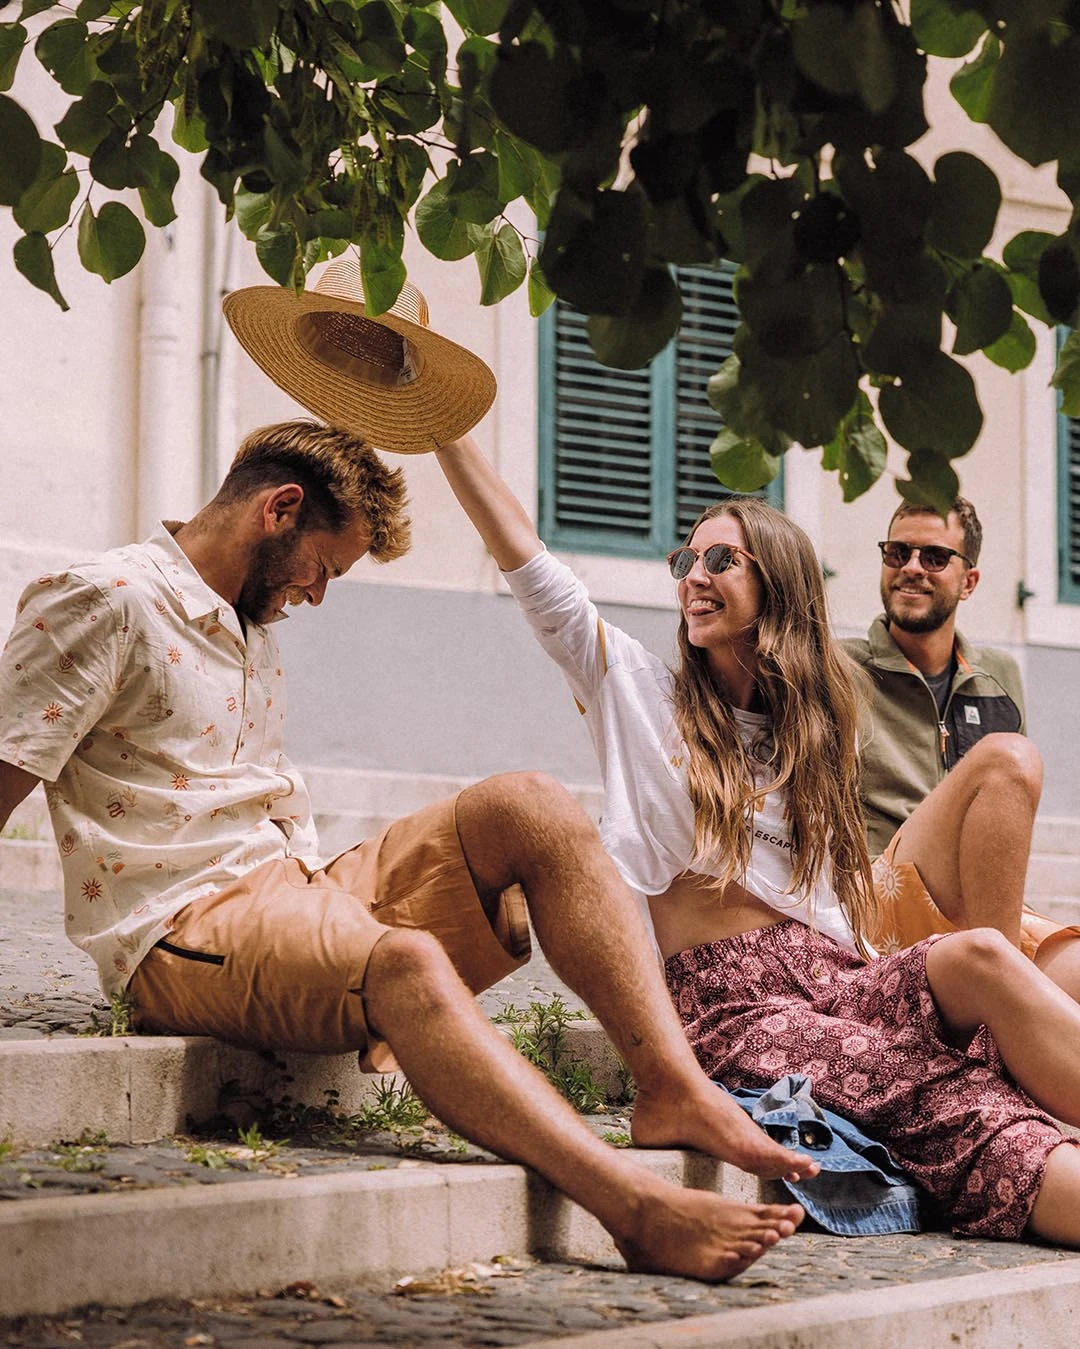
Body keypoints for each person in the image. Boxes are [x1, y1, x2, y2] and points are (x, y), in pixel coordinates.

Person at [0, 418, 817, 1284]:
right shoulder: (105, 600)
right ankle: (633, 1208)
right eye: (326, 567)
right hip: (180, 929)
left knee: (532, 802)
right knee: (408, 959)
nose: (318, 594)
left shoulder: (248, 623)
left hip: (295, 888)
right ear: (280, 509)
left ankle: (673, 1086)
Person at [436, 433, 1080, 1246]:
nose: (694, 576)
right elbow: (529, 562)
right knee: (950, 1094)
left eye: (721, 561)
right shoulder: (637, 693)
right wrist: (443, 427)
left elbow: (838, 900)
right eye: (687, 561)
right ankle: (1013, 1149)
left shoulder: (812, 732)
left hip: (838, 974)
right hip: (735, 1005)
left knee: (981, 955)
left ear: (775, 585)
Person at [841, 500, 1080, 996]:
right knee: (1008, 757)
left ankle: (1000, 980)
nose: (911, 567)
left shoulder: (999, 677)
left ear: (969, 581)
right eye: (898, 552)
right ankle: (1002, 998)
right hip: (874, 897)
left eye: (934, 557)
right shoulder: (837, 669)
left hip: (976, 912)